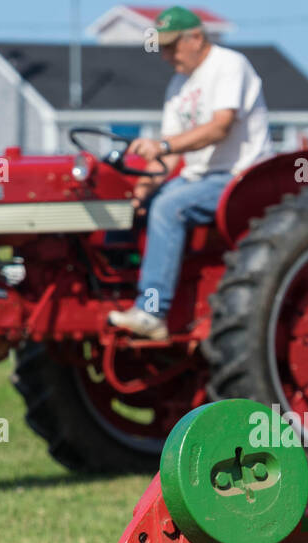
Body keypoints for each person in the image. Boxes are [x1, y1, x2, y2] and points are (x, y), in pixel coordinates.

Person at [107, 6, 273, 341]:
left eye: (171, 46)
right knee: (138, 207)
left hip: (241, 177)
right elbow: (166, 156)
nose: (166, 55)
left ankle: (152, 309)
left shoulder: (229, 65)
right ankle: (115, 294)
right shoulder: (178, 85)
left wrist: (163, 149)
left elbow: (219, 127)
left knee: (169, 207)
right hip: (200, 177)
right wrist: (139, 192)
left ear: (196, 38)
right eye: (162, 47)